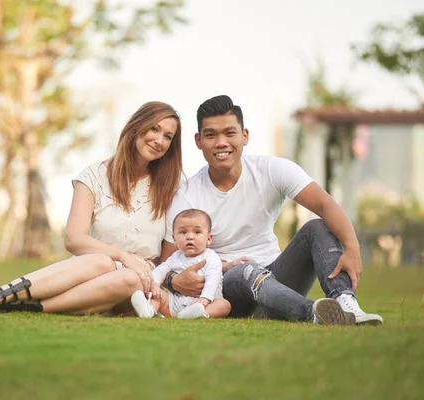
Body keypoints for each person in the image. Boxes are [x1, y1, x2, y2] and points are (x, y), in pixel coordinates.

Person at [161, 95, 383, 326]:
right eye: (211, 135)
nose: (221, 142)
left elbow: (325, 205)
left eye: (230, 133)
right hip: (227, 286)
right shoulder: (187, 195)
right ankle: (315, 313)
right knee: (246, 270)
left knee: (315, 228)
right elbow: (167, 261)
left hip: (278, 279)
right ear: (198, 141)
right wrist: (174, 280)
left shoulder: (270, 170)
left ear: (244, 136)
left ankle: (346, 303)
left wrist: (352, 248)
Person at [0, 101, 183, 315]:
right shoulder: (93, 176)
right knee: (102, 261)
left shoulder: (172, 188)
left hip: (138, 282)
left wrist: (149, 276)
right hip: (92, 271)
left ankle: (4, 302)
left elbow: (170, 257)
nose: (159, 140)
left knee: (129, 279)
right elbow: (74, 240)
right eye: (154, 129)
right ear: (136, 127)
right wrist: (123, 256)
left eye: (168, 137)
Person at [129, 208, 231, 319]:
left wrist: (205, 299)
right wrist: (155, 285)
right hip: (176, 302)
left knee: (224, 305)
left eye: (197, 232)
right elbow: (161, 270)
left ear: (209, 238)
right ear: (174, 239)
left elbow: (213, 279)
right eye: (183, 232)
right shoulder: (175, 257)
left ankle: (201, 315)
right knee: (158, 296)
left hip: (205, 303)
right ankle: (148, 310)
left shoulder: (211, 257)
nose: (190, 237)